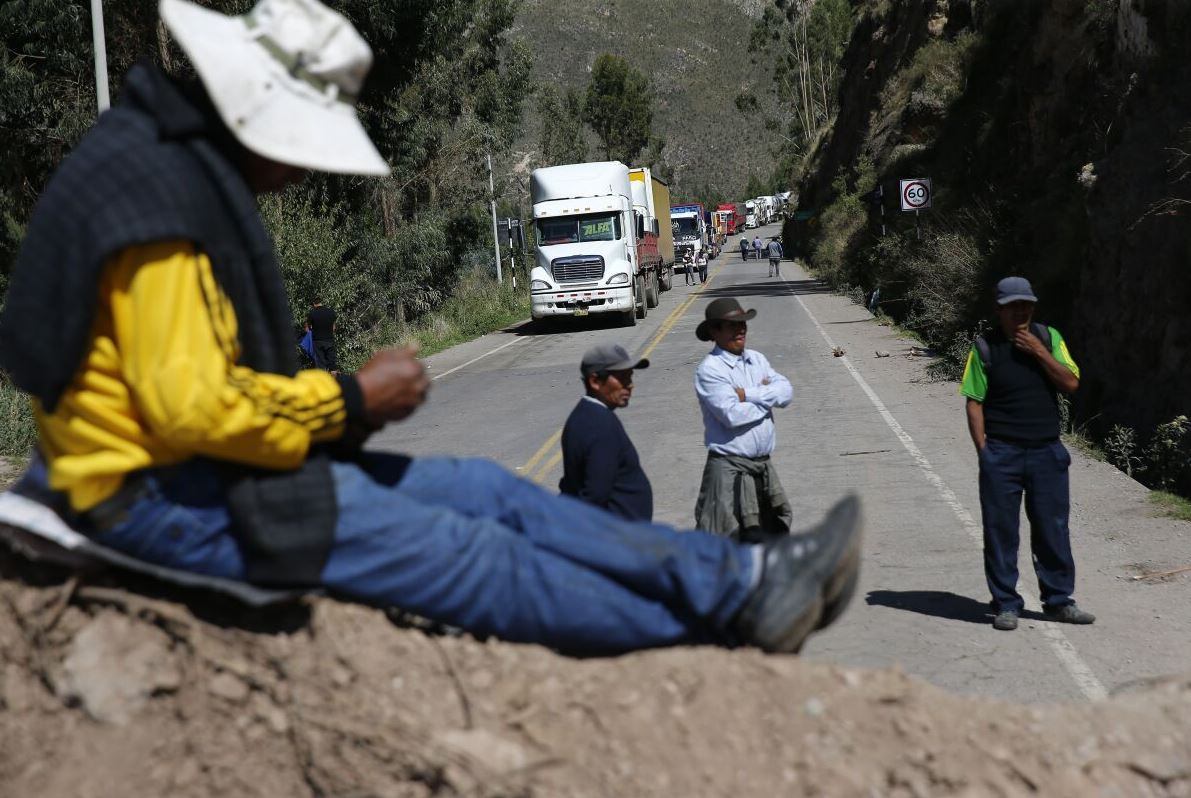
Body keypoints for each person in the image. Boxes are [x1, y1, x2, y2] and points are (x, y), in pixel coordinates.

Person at [0, 0, 862, 657]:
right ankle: (728, 625)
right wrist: (349, 396)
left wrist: (346, 404)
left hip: (199, 471)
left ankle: (741, 574)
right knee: (472, 557)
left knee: (486, 492)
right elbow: (192, 411)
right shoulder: (160, 213)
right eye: (299, 143)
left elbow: (200, 388)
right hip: (153, 500)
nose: (299, 171)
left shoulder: (165, 169)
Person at [960, 276, 1095, 632]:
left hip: (1046, 452)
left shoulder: (1050, 338)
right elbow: (974, 402)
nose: (1020, 312)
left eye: (1026, 305)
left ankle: (1059, 601)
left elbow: (1070, 383)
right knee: (1000, 531)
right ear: (999, 310)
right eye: (1012, 306)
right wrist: (984, 451)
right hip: (1002, 453)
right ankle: (1006, 603)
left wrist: (1038, 350)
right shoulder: (984, 347)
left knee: (1053, 528)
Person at [693, 298, 794, 542]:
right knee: (724, 539)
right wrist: (768, 400)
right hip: (729, 470)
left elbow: (787, 392)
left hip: (762, 467)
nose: (741, 330)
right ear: (714, 332)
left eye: (743, 324)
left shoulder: (757, 359)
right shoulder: (711, 370)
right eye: (732, 325)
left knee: (772, 535)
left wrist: (748, 394)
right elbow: (732, 415)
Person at [559, 344, 652, 522]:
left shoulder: (582, 415)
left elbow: (571, 484)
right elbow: (596, 494)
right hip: (619, 536)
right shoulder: (600, 426)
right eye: (622, 378)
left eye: (630, 377)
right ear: (595, 382)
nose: (630, 385)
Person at [306, 299, 338, 372]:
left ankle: (322, 381)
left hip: (318, 341)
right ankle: (334, 381)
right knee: (332, 364)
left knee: (320, 364)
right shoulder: (331, 312)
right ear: (321, 302)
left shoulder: (312, 313)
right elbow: (334, 328)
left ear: (314, 304)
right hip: (329, 341)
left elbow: (307, 329)